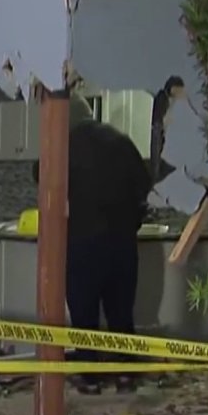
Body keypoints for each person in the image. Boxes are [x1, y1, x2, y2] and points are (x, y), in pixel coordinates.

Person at [66, 113, 154, 394]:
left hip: (83, 241)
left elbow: (40, 174)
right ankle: (125, 372)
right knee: (120, 312)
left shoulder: (67, 143)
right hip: (121, 241)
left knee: (84, 312)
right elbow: (145, 186)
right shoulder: (122, 142)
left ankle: (90, 376)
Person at [149, 76, 185, 184]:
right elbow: (159, 118)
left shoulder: (168, 99)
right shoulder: (163, 97)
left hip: (160, 131)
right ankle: (155, 176)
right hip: (158, 130)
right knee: (156, 155)